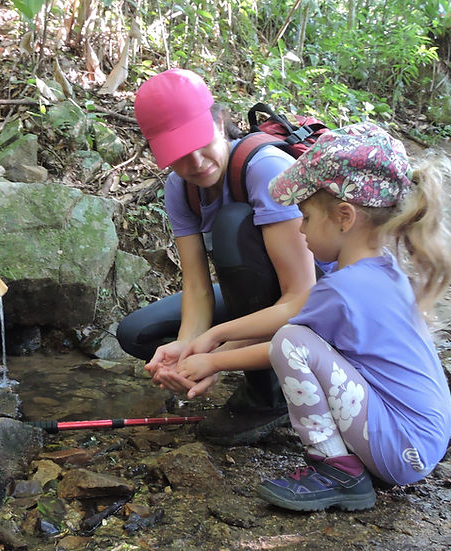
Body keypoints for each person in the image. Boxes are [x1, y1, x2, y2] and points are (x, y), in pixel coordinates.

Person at [175, 122, 451, 512]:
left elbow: (285, 346)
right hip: (422, 442)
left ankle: (337, 469)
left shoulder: (343, 288)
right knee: (297, 339)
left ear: (344, 216)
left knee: (294, 341)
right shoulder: (384, 270)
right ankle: (354, 462)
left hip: (403, 448)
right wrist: (214, 335)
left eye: (305, 217)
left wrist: (212, 359)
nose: (301, 231)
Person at [117, 68, 318, 446]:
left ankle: (269, 396)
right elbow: (196, 287)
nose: (195, 162)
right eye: (178, 154)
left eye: (201, 141)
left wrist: (215, 356)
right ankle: (259, 370)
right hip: (257, 300)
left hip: (318, 302)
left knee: (231, 225)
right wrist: (186, 354)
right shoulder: (180, 188)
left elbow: (301, 298)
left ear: (221, 121)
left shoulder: (266, 170)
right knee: (138, 333)